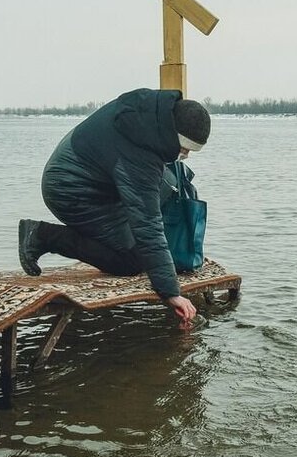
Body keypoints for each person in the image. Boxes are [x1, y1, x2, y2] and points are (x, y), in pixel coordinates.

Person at [18, 88, 211, 324]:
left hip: (96, 179)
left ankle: (96, 238)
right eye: (185, 149)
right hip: (69, 191)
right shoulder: (139, 156)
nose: (187, 156)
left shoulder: (150, 113)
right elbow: (148, 226)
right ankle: (42, 236)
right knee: (132, 260)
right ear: (174, 136)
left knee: (163, 188)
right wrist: (171, 293)